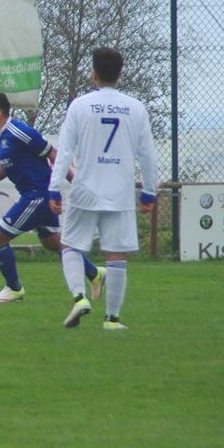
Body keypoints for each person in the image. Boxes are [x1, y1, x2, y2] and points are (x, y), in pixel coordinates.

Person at [48, 48, 159, 331]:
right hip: (120, 192)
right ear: (119, 74)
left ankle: (79, 297)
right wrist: (149, 192)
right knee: (116, 254)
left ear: (93, 74)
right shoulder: (135, 108)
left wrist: (54, 188)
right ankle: (112, 319)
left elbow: (64, 151)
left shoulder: (80, 105)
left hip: (85, 189)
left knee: (70, 245)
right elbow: (147, 154)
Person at [0, 92, 104, 304]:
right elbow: (8, 164)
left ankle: (14, 288)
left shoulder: (19, 131)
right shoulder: (1, 136)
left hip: (38, 195)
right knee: (53, 243)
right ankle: (94, 273)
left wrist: (73, 181)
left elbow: (53, 154)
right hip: (36, 194)